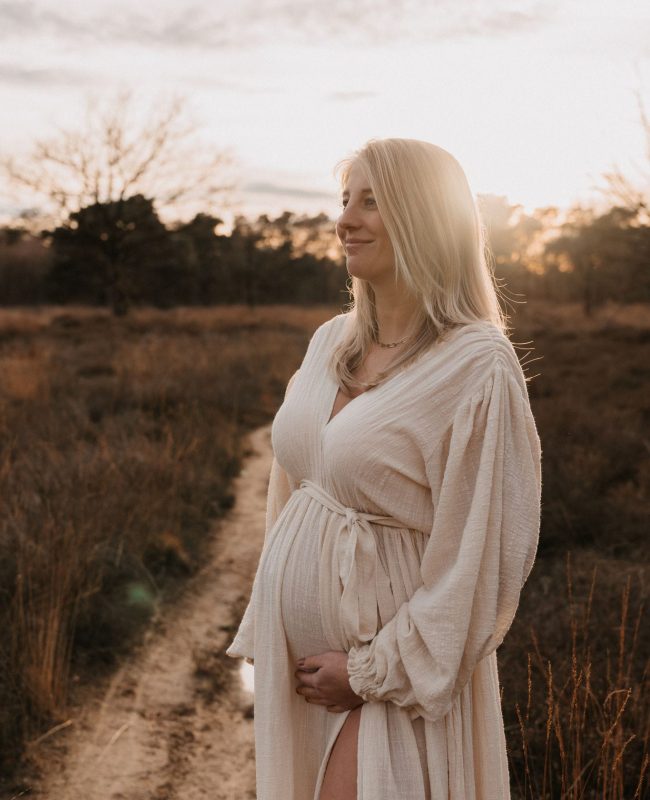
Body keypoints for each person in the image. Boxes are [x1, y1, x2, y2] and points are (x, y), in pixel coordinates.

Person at [226, 137, 542, 800]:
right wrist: (269, 625)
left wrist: (372, 672)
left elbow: (479, 558)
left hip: (393, 683)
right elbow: (295, 491)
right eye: (344, 200)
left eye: (372, 202)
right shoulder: (329, 341)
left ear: (427, 218)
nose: (345, 219)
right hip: (307, 675)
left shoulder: (476, 365)